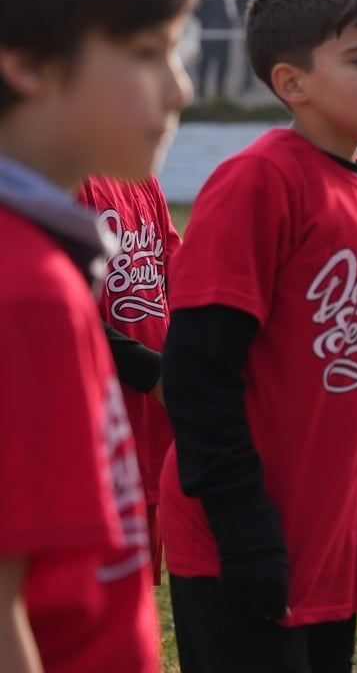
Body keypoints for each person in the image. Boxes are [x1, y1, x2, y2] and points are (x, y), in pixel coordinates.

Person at [158, 0, 357, 673]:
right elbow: (197, 371)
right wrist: (244, 528)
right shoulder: (257, 182)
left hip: (325, 539)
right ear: (292, 83)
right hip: (241, 540)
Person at [0, 0, 197, 673]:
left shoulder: (45, 255)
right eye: (149, 53)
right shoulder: (25, 290)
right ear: (29, 63)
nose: (180, 89)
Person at [80, 174, 182, 587]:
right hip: (99, 430)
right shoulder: (69, 179)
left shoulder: (143, 180)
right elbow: (68, 312)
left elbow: (178, 274)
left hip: (153, 425)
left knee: (135, 591)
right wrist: (155, 373)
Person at [193, 0, 233, 101]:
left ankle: (219, 93)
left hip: (224, 33)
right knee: (206, 63)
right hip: (209, 34)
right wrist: (208, 22)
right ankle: (202, 91)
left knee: (223, 64)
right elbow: (196, 9)